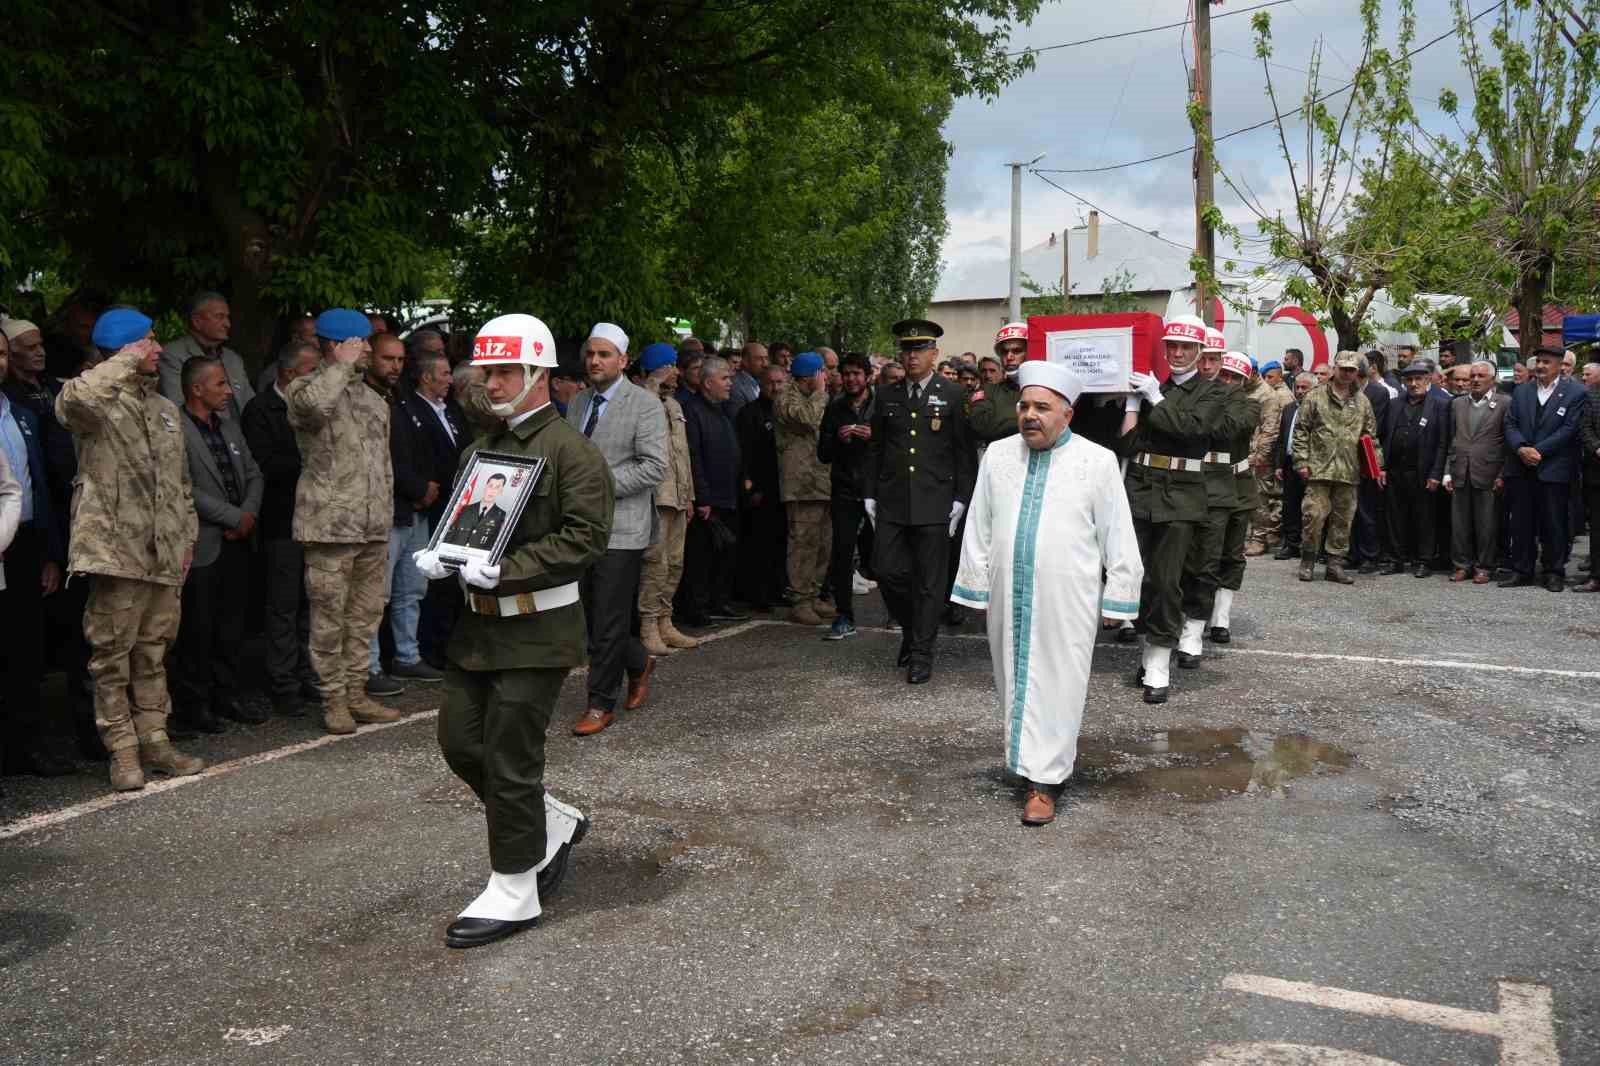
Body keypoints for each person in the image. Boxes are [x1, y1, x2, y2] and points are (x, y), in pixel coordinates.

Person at [413, 313, 612, 949]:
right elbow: (470, 523)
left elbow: (585, 539)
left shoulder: (572, 452)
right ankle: (547, 820)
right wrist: (444, 553)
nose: (491, 383)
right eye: (488, 371)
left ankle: (515, 889)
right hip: (479, 630)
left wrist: (506, 570)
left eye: (505, 372)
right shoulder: (480, 448)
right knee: (459, 742)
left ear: (539, 376)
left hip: (537, 629)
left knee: (508, 754)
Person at [951, 361, 1141, 827]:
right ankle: (1026, 763)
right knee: (1013, 677)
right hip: (1007, 593)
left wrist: (1119, 593)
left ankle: (1046, 782)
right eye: (1024, 406)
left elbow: (1118, 531)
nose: (1029, 415)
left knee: (1058, 683)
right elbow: (979, 524)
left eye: (1042, 407)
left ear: (1067, 414)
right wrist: (975, 586)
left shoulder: (1095, 461)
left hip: (1068, 597)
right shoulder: (997, 455)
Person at [55, 308, 206, 791]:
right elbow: (75, 401)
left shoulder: (164, 410)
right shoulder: (93, 402)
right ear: (124, 349)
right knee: (111, 655)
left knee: (153, 651)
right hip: (116, 551)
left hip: (163, 552)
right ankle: (121, 750)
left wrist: (185, 539)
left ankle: (155, 740)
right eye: (149, 343)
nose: (159, 351)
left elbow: (181, 484)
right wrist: (123, 360)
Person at [287, 309, 402, 734]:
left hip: (372, 526)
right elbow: (313, 409)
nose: (369, 349)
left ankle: (356, 692)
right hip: (330, 527)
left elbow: (383, 467)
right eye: (361, 342)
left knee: (365, 616)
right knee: (328, 619)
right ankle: (333, 699)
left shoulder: (373, 399)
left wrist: (386, 518)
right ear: (337, 345)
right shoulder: (305, 389)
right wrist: (338, 366)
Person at [1117, 314, 1226, 703]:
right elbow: (1129, 448)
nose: (1178, 354)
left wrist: (1154, 398)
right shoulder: (1153, 389)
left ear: (1199, 353)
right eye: (1172, 347)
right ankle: (1150, 651)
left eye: (1186, 348)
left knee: (1166, 579)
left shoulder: (1213, 393)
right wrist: (1131, 406)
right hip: (1142, 492)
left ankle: (1160, 662)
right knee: (1140, 579)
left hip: (1181, 496)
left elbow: (1193, 431)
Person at [566, 323, 668, 737]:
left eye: (604, 354)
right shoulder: (577, 403)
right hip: (577, 527)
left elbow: (653, 467)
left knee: (608, 618)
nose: (595, 361)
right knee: (589, 617)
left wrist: (599, 485)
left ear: (623, 361)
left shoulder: (644, 405)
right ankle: (639, 661)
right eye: (591, 354)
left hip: (622, 528)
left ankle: (599, 703)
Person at [864, 319, 977, 685]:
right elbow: (876, 448)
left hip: (935, 500)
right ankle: (914, 632)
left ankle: (922, 653)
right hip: (893, 499)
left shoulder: (953, 394)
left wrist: (961, 499)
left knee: (930, 582)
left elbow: (963, 453)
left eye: (919, 350)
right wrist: (869, 492)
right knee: (886, 570)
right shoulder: (886, 395)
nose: (911, 357)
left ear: (934, 354)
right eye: (906, 350)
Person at [172, 355, 264, 730]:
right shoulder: (175, 426)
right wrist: (232, 517)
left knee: (232, 624)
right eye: (220, 385)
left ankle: (226, 696)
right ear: (196, 389)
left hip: (239, 539)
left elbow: (254, 472)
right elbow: (182, 486)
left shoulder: (228, 425)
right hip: (203, 542)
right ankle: (194, 706)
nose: (229, 391)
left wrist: (249, 514)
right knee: (198, 627)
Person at [0, 328, 70, 777]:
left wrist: (48, 552)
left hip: (21, 544)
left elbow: (36, 484)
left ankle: (23, 748)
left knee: (24, 652)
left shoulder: (21, 413)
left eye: (2, 353)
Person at [241, 340, 322, 718]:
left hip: (317, 520)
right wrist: (313, 463)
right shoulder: (261, 410)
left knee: (312, 604)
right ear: (289, 373)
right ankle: (283, 681)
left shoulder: (316, 409)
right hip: (282, 520)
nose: (318, 378)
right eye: (311, 371)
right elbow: (266, 462)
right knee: (284, 606)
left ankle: (309, 673)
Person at [367, 333, 444, 694]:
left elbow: (419, 448)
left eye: (399, 360)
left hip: (416, 510)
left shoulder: (403, 398)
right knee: (376, 596)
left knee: (411, 590)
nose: (394, 366)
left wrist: (425, 489)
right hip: (387, 509)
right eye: (387, 359)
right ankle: (368, 666)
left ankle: (406, 657)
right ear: (369, 357)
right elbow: (380, 459)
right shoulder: (364, 398)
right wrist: (415, 489)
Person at [400, 343, 469, 669]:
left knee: (452, 582)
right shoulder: (409, 410)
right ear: (427, 377)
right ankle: (428, 648)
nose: (450, 380)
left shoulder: (452, 410)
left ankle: (450, 643)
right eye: (444, 374)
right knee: (429, 583)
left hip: (455, 505)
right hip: (427, 506)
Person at [1291, 352, 1385, 584]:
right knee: (1313, 517)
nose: (1347, 373)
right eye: (1343, 368)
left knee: (1343, 520)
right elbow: (1301, 430)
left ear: (1357, 372)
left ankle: (1335, 564)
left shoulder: (1363, 401)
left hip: (1348, 470)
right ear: (1335, 368)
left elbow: (1370, 436)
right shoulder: (1315, 396)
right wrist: (1301, 461)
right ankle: (1308, 561)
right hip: (1319, 469)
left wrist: (1377, 465)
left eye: (1351, 370)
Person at [1500, 347, 1587, 591]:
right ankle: (1522, 570)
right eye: (1538, 361)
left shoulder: (1576, 392)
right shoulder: (1523, 390)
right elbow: (1510, 424)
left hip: (1553, 468)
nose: (1540, 366)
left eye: (1546, 362)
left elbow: (1569, 429)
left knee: (1554, 523)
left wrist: (1538, 451)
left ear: (1560, 365)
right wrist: (1520, 449)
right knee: (1522, 523)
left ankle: (1553, 572)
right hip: (1522, 466)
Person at [635, 343, 699, 655]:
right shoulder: (639, 400)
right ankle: (647, 624)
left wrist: (689, 495)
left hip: (677, 494)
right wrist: (651, 383)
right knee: (654, 563)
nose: (676, 372)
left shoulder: (674, 405)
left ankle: (665, 620)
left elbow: (682, 454)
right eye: (670, 366)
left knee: (675, 562)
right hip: (655, 497)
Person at [817, 351, 877, 640]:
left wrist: (873, 436)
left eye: (857, 373)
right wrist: (839, 440)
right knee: (842, 552)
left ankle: (897, 613)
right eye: (847, 373)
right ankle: (844, 615)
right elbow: (822, 453)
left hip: (876, 490)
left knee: (883, 553)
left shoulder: (881, 405)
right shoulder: (835, 407)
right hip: (843, 488)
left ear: (868, 376)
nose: (852, 379)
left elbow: (896, 447)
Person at [682, 355, 744, 622]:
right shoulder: (693, 411)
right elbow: (693, 456)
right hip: (708, 500)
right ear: (708, 383)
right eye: (725, 378)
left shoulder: (722, 410)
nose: (730, 383)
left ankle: (719, 602)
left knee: (724, 556)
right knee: (701, 558)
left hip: (728, 495)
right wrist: (703, 497)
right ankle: (697, 608)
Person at [774, 351, 834, 626]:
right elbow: (809, 418)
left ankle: (813, 594)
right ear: (810, 376)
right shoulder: (787, 398)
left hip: (820, 482)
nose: (826, 378)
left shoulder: (811, 396)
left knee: (823, 544)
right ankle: (800, 600)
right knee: (803, 545)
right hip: (800, 485)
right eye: (822, 373)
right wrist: (821, 393)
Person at [1208, 353, 1263, 644]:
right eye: (1224, 375)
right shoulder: (1206, 401)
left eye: (1235, 378)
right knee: (1206, 553)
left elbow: (1234, 427)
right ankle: (1200, 612)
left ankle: (1222, 617)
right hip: (1210, 483)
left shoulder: (1251, 406)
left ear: (1244, 381)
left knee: (1232, 553)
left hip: (1239, 485)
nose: (1228, 382)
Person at [1382, 360, 1450, 578]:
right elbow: (1384, 437)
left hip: (1423, 472)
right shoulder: (1394, 405)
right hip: (1395, 471)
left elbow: (1443, 443)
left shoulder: (1439, 405)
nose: (1413, 384)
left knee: (1425, 518)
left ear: (1428, 380)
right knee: (1395, 517)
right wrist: (1381, 467)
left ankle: (1424, 560)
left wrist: (1436, 473)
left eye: (1418, 379)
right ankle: (1396, 559)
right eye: (1409, 380)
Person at [1442, 360, 1508, 584]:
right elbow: (1451, 440)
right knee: (1459, 524)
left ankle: (1484, 566)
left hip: (1488, 471)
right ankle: (1461, 565)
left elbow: (1507, 443)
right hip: (1460, 469)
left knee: (1486, 524)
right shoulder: (1457, 404)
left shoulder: (1504, 403)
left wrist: (1501, 474)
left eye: (1481, 376)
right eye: (1473, 376)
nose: (1476, 380)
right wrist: (1447, 471)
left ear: (1492, 379)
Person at [732, 363, 785, 613]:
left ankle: (777, 589)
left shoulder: (787, 412)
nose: (775, 387)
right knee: (758, 542)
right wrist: (749, 484)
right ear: (761, 385)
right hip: (760, 487)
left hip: (784, 487)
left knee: (779, 541)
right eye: (770, 383)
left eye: (780, 382)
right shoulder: (749, 413)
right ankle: (758, 593)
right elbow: (744, 452)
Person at [157, 292, 255, 419]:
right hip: (202, 435)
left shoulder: (233, 358)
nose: (227, 324)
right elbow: (179, 407)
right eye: (219, 317)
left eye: (227, 317)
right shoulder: (172, 355)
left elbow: (251, 403)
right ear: (197, 321)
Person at [1352, 352, 1395, 574]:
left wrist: (1378, 466)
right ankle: (1352, 553)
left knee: (1367, 510)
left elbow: (1374, 430)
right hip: (1346, 460)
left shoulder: (1377, 393)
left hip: (1368, 456)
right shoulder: (1344, 391)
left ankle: (1370, 555)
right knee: (1349, 509)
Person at [1245, 357, 1293, 555]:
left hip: (1258, 456)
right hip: (1243, 453)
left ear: (1253, 372)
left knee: (1259, 498)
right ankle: (1250, 535)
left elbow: (1270, 430)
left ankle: (1259, 537)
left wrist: (1259, 457)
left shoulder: (1267, 395)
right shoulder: (1243, 389)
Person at [1274, 372, 1316, 560]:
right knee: (1290, 505)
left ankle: (1311, 547)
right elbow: (1282, 438)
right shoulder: (1289, 409)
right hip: (1290, 463)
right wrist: (1279, 464)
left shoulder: (1319, 409)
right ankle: (1291, 544)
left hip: (1310, 463)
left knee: (1310, 508)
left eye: (1304, 387)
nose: (1299, 391)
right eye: (1297, 387)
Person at [968, 322, 1026, 443]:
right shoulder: (988, 390)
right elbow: (981, 427)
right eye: (1004, 352)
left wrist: (1003, 418)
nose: (1009, 357)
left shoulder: (1046, 389)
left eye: (1017, 351)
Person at [1575, 361, 1600, 592]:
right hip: (1596, 472)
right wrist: (1597, 448)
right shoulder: (1591, 397)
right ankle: (1596, 576)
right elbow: (1584, 428)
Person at [729, 341, 768, 415]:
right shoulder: (734, 386)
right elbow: (738, 421)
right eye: (759, 359)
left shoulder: (763, 381)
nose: (765, 364)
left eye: (766, 358)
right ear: (745, 361)